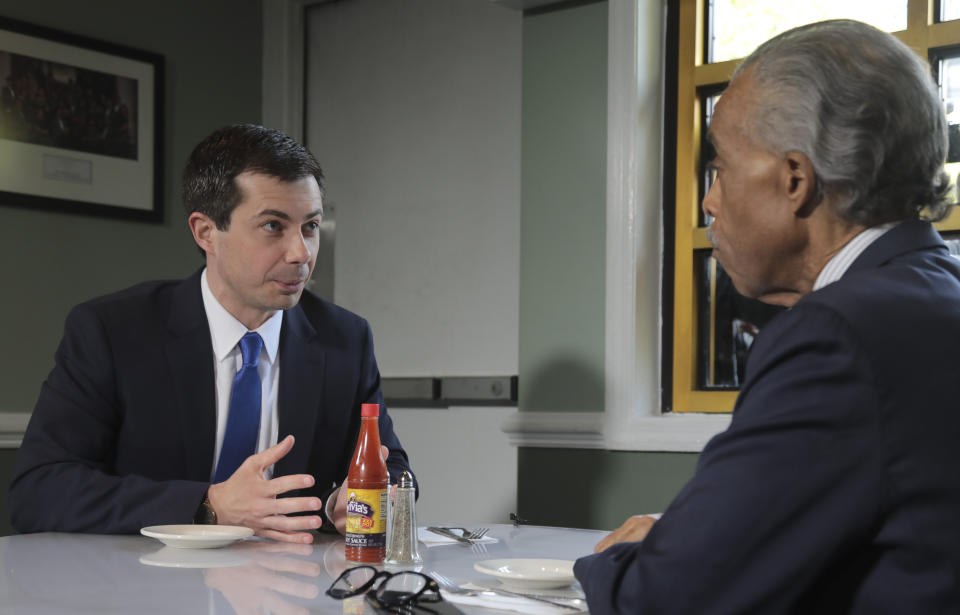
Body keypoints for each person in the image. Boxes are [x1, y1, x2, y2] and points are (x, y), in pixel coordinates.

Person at [575, 19, 960, 613]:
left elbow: (665, 601)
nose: (708, 199)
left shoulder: (835, 336)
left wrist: (612, 562)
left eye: (720, 168)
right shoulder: (935, 294)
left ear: (795, 180)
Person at [8, 124, 414, 543]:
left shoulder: (345, 339)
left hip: (291, 592)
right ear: (206, 233)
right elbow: (39, 492)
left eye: (310, 227)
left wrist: (347, 503)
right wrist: (209, 505)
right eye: (274, 226)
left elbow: (396, 472)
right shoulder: (112, 332)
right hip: (145, 590)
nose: (301, 254)